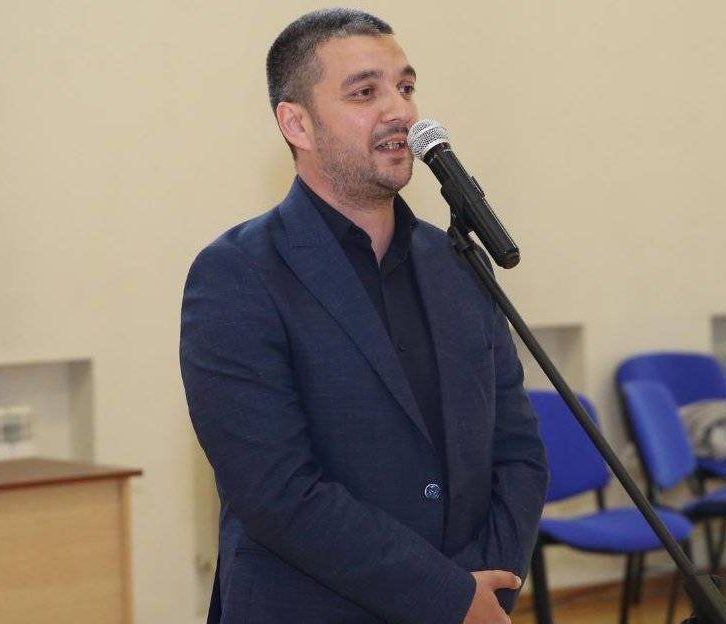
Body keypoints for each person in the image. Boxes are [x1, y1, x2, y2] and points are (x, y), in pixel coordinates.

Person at [180, 8, 548, 624]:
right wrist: (447, 595)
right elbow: (275, 489)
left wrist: (489, 587)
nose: (401, 110)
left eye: (406, 87)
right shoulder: (237, 274)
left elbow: (518, 452)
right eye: (365, 92)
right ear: (297, 123)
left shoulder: (458, 263)